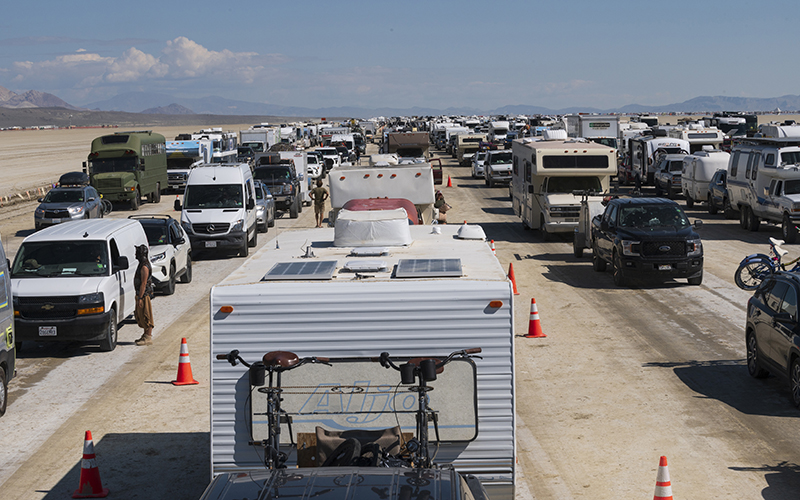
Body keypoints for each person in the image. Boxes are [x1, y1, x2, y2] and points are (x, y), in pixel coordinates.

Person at [134, 245, 155, 346]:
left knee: (147, 315)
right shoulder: (142, 264)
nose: (135, 255)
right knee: (141, 315)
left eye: (137, 253)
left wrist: (140, 298)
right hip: (141, 294)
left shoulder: (144, 267)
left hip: (144, 295)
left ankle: (148, 337)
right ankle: (145, 334)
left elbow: (143, 283)